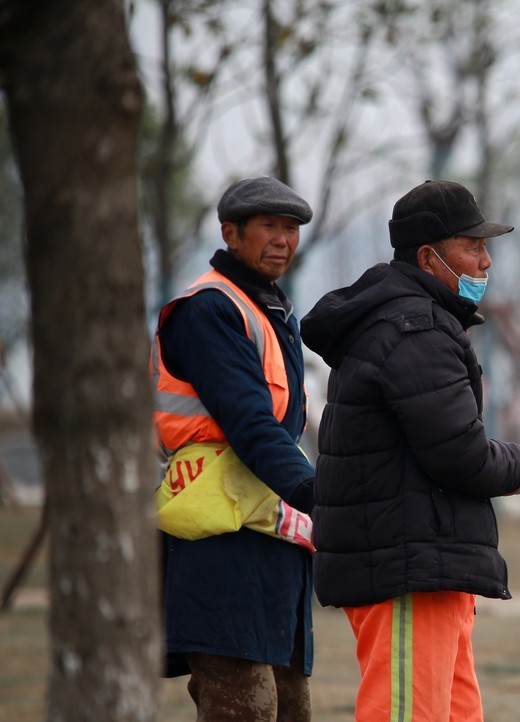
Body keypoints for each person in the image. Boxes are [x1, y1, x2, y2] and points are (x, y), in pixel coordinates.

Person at [300, 179, 520, 722]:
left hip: (429, 563)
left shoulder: (410, 322)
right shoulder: (414, 330)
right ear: (428, 256)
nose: (487, 261)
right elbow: (461, 453)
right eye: (472, 246)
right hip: (408, 566)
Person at [153, 176, 317, 721]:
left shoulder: (271, 309)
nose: (283, 239)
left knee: (291, 705)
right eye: (268, 226)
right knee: (244, 707)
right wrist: (317, 494)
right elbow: (250, 423)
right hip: (219, 541)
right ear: (231, 233)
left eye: (291, 228)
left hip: (269, 526)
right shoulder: (210, 309)